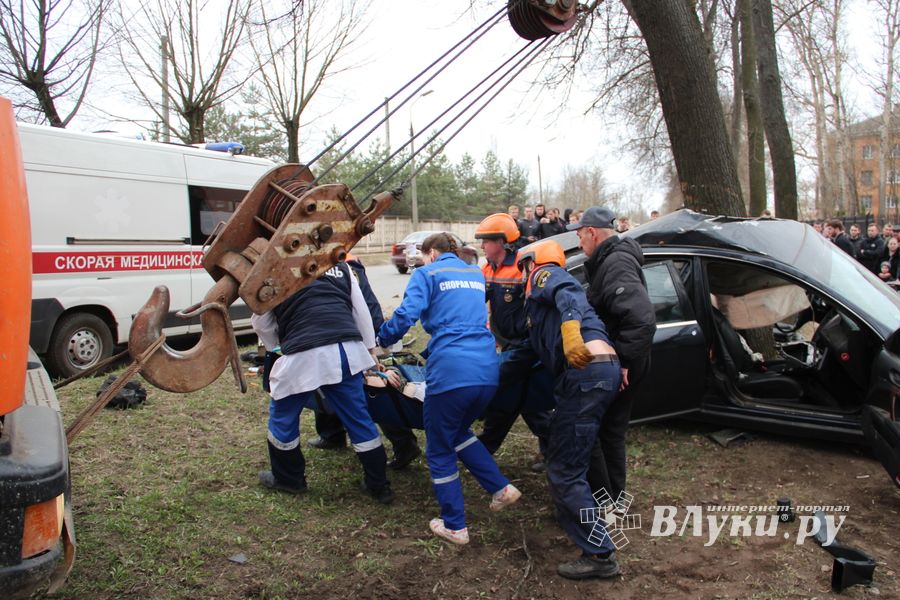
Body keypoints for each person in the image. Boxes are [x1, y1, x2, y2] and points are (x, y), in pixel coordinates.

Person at [377, 232, 521, 545]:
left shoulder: (427, 273)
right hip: (486, 368)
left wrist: (382, 339)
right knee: (456, 432)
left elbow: (405, 315)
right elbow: (464, 317)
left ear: (431, 253)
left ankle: (455, 525)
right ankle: (501, 488)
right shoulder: (474, 272)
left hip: (452, 371)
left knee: (439, 448)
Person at [516, 239, 622, 580]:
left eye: (522, 269)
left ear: (529, 263)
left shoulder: (545, 274)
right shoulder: (538, 311)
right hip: (595, 373)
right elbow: (527, 351)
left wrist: (571, 329)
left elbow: (568, 294)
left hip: (585, 373)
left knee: (564, 469)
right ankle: (579, 513)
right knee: (575, 453)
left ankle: (600, 553)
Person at [252, 262, 394, 504]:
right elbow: (361, 313)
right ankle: (378, 485)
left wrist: (278, 344)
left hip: (302, 352)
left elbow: (262, 322)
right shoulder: (341, 266)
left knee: (283, 415)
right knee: (359, 418)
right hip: (345, 350)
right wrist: (370, 352)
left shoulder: (273, 269)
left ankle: (289, 479)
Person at [567, 207, 656, 508]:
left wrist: (625, 362)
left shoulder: (616, 263)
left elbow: (642, 319)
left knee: (605, 434)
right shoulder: (609, 261)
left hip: (623, 363)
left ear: (592, 232)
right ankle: (613, 501)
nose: (579, 243)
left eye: (580, 236)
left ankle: (607, 503)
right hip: (621, 361)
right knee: (610, 432)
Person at [307, 255, 422, 471]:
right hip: (349, 335)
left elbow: (362, 308)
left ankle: (403, 443)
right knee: (333, 383)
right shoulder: (342, 264)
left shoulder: (341, 268)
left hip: (352, 336)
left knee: (373, 393)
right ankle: (332, 433)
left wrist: (372, 348)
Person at [473, 213, 551, 466]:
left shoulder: (522, 265)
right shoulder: (486, 268)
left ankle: (483, 449)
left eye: (486, 241)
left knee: (504, 392)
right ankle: (553, 452)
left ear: (502, 242)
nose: (482, 246)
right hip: (506, 343)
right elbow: (476, 302)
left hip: (528, 346)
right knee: (526, 402)